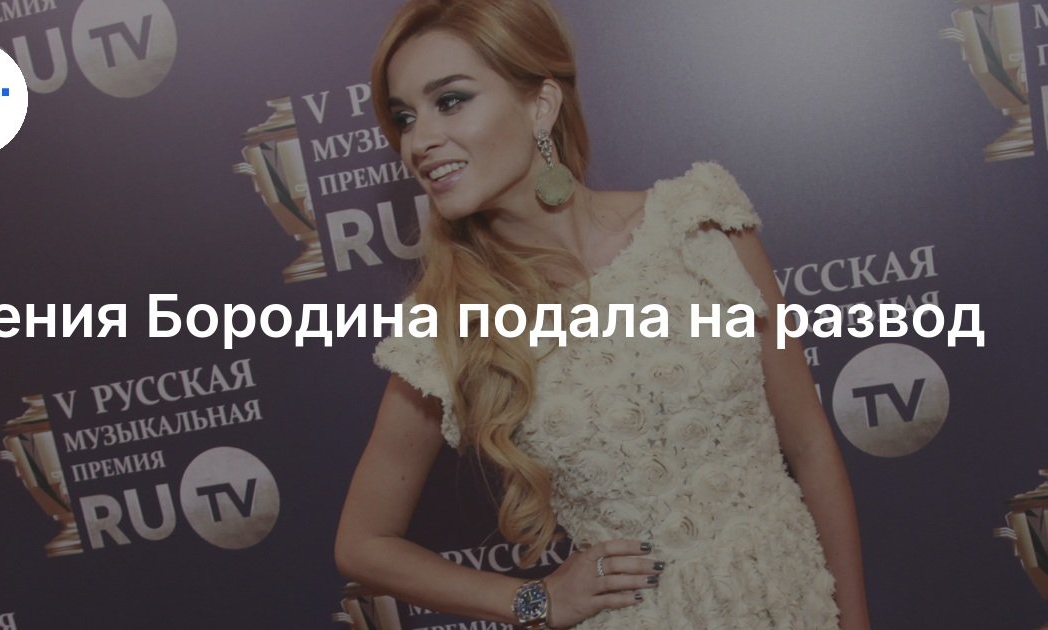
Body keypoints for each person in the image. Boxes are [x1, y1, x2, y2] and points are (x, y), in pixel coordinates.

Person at [334, 1, 871, 628]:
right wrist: (535, 601)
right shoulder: (449, 323)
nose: (418, 141)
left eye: (450, 101)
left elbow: (809, 445)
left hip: (794, 600)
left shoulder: (697, 225)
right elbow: (362, 544)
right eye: (404, 117)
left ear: (540, 104)